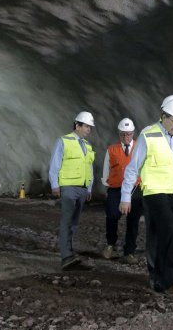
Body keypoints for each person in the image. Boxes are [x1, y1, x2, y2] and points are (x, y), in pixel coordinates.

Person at [119, 96, 173, 295]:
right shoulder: (148, 135)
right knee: (164, 229)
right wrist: (125, 196)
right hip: (155, 192)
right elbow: (133, 168)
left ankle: (168, 268)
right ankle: (163, 277)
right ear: (164, 116)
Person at [49, 111, 97, 270]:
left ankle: (69, 252)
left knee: (74, 223)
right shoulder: (64, 141)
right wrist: (55, 185)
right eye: (86, 126)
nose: (89, 130)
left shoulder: (88, 146)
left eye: (90, 127)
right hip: (68, 187)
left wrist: (89, 187)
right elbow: (55, 164)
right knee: (66, 221)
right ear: (77, 125)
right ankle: (66, 256)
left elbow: (89, 168)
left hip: (82, 189)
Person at [100, 118, 142, 264]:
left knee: (133, 221)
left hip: (135, 190)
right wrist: (107, 183)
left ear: (133, 133)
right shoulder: (111, 150)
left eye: (129, 134)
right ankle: (110, 244)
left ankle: (129, 252)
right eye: (123, 134)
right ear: (119, 134)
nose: (126, 137)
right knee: (111, 216)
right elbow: (106, 169)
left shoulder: (140, 147)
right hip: (115, 189)